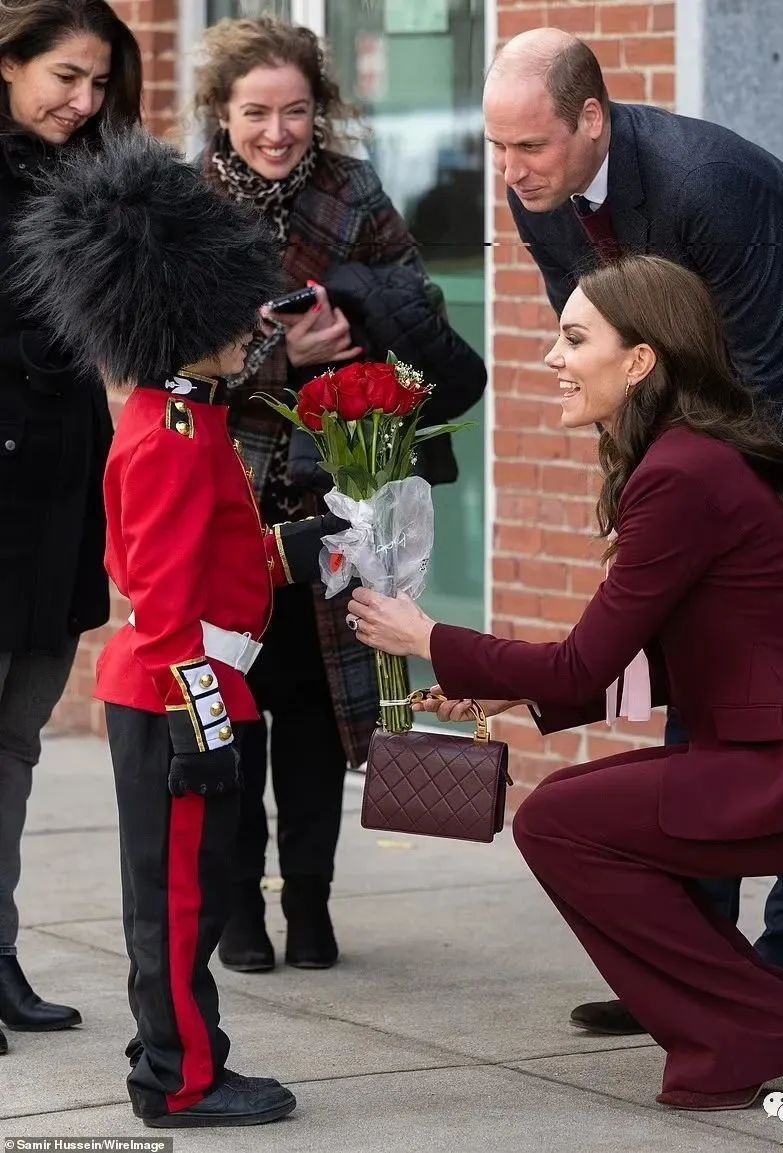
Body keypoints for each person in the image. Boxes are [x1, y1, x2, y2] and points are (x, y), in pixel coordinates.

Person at [346, 254, 783, 1111]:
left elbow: (589, 659)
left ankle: (753, 1018)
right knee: (572, 816)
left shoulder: (680, 473)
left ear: (640, 360)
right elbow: (654, 655)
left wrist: (429, 635)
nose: (553, 355)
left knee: (559, 821)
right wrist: (515, 692)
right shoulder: (689, 458)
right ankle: (752, 1015)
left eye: (575, 337)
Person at [482, 27, 783, 1033]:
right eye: (498, 149)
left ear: (592, 119)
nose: (510, 173)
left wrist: (715, 547)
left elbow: (771, 378)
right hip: (736, 409)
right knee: (702, 662)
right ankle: (695, 966)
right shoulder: (541, 190)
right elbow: (602, 356)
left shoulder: (705, 184)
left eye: (531, 149)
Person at [13, 127, 351, 1128]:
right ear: (179, 319)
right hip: (177, 695)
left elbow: (215, 564)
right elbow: (160, 603)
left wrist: (301, 550)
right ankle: (177, 1077)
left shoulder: (190, 415)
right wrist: (203, 721)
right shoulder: (166, 432)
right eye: (233, 316)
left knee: (188, 898)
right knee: (174, 906)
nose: (253, 329)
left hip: (193, 689)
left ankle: (179, 1052)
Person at [195, 15, 486, 974]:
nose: (277, 132)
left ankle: (311, 906)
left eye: (295, 111)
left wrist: (351, 319)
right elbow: (158, 363)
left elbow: (417, 307)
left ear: (320, 109)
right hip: (225, 502)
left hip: (336, 495)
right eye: (255, 113)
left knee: (316, 717)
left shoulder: (350, 188)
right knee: (229, 716)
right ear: (220, 113)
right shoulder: (185, 205)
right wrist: (282, 351)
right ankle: (240, 909)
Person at [0, 0, 142, 1059]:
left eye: (98, 83)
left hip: (57, 488)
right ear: (6, 64)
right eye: (62, 75)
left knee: (16, 739)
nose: (81, 101)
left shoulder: (94, 181)